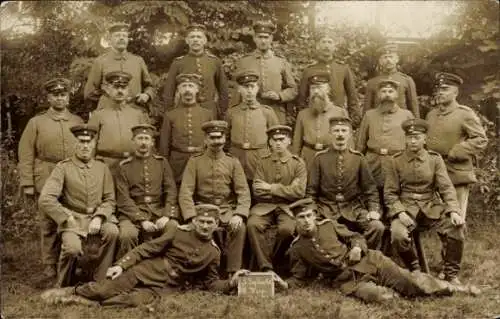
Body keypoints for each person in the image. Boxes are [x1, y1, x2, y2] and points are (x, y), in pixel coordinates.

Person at [41, 205, 251, 307]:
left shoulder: (214, 252)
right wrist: (122, 266)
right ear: (195, 221)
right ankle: (72, 290)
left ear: (216, 225)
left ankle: (81, 301)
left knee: (126, 302)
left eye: (210, 223)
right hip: (145, 271)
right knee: (104, 288)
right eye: (201, 222)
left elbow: (211, 283)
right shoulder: (177, 232)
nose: (205, 226)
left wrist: (231, 283)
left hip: (163, 288)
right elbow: (146, 249)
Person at [284, 198, 480, 303]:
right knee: (383, 297)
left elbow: (356, 237)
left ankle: (456, 289)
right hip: (348, 281)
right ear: (295, 220)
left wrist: (357, 248)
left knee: (410, 283)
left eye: (309, 215)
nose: (307, 220)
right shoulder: (297, 248)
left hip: (371, 260)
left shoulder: (328, 225)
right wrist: (282, 285)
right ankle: (402, 292)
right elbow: (299, 277)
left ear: (315, 215)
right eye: (301, 217)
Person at [18, 77, 84, 281]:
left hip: (71, 174)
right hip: (46, 173)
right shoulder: (36, 122)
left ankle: (72, 263)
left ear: (68, 97)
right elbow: (26, 152)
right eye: (55, 95)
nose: (59, 98)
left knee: (71, 217)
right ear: (48, 97)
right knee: (48, 223)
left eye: (63, 94)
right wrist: (28, 182)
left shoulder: (77, 121)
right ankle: (49, 266)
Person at [385, 118, 466, 283]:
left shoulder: (434, 159)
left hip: (431, 208)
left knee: (456, 226)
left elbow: (446, 188)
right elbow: (390, 193)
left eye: (417, 137)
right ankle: (414, 268)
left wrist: (454, 210)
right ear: (405, 139)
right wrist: (400, 212)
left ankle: (451, 273)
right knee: (398, 235)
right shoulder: (395, 161)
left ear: (424, 139)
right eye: (409, 137)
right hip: (406, 209)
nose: (413, 141)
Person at [38, 124, 118, 288]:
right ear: (74, 144)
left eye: (89, 142)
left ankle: (100, 280)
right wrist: (65, 217)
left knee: (112, 232)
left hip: (96, 218)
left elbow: (110, 199)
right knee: (73, 249)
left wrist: (100, 216)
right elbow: (46, 198)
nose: (85, 146)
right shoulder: (63, 168)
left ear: (94, 144)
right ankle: (64, 285)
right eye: (81, 142)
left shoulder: (102, 168)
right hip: (73, 219)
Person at [179, 120, 250, 276]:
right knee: (200, 228)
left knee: (240, 227)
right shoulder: (195, 161)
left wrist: (239, 214)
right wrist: (191, 216)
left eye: (219, 137)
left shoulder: (233, 162)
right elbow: (186, 191)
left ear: (224, 139)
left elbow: (243, 191)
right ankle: (205, 272)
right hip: (202, 209)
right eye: (212, 138)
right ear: (205, 139)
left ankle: (233, 272)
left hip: (226, 210)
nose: (216, 142)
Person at [307, 116, 384, 250]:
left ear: (350, 134)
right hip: (326, 209)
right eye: (336, 131)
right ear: (330, 134)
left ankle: (363, 257)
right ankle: (338, 260)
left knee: (377, 227)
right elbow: (311, 192)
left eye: (344, 131)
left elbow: (370, 189)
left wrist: (373, 210)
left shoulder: (358, 158)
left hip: (353, 208)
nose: (340, 134)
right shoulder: (320, 159)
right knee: (319, 230)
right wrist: (313, 212)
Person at [426, 72, 488, 218]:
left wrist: (458, 150)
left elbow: (480, 139)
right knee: (438, 218)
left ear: (455, 92)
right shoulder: (431, 115)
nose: (440, 92)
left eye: (445, 89)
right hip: (433, 172)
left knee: (456, 219)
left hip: (455, 171)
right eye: (439, 89)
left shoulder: (464, 113)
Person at [247, 125, 307, 272]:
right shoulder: (263, 162)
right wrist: (286, 190)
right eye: (275, 140)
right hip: (264, 207)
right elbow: (257, 191)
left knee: (287, 229)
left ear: (289, 141)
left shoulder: (297, 163)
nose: (278, 143)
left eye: (282, 139)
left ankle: (276, 261)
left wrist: (270, 188)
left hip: (288, 208)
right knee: (252, 225)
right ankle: (265, 267)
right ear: (270, 142)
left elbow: (299, 192)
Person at [115, 124, 179, 259]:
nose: (143, 142)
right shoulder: (124, 166)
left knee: (173, 228)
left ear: (152, 142)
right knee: (128, 235)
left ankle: (161, 265)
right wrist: (142, 220)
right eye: (140, 138)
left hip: (159, 211)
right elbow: (123, 198)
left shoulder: (162, 163)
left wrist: (166, 215)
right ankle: (127, 269)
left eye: (146, 138)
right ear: (133, 141)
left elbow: (171, 191)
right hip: (132, 213)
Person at [233, 20, 297, 124]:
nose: (263, 41)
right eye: (260, 37)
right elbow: (237, 91)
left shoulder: (281, 62)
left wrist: (279, 95)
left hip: (276, 112)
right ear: (254, 38)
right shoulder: (244, 62)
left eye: (266, 37)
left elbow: (293, 89)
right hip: (251, 112)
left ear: (271, 39)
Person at [356, 79, 414, 192]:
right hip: (373, 163)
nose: (387, 95)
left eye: (390, 91)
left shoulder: (407, 115)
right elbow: (360, 143)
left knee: (394, 194)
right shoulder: (369, 115)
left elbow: (412, 142)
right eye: (383, 91)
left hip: (396, 163)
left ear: (397, 94)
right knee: (372, 194)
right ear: (378, 95)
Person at [88, 71, 150, 173]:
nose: (120, 91)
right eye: (116, 87)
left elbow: (147, 143)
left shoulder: (138, 115)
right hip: (105, 166)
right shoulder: (98, 115)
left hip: (133, 165)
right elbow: (90, 145)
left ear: (128, 90)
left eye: (123, 88)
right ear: (108, 89)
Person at [162, 24, 228, 119]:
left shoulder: (214, 61)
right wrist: (169, 113)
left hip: (210, 112)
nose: (195, 40)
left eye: (199, 37)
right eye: (192, 37)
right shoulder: (178, 63)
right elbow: (169, 92)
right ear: (187, 40)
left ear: (204, 40)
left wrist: (222, 112)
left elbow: (223, 90)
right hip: (185, 113)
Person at [84, 22, 155, 111]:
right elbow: (89, 92)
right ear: (110, 40)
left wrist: (147, 95)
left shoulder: (138, 61)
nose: (121, 38)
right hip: (108, 113)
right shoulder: (100, 61)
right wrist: (108, 100)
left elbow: (150, 86)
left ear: (128, 39)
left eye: (124, 36)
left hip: (135, 111)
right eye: (117, 36)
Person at [159, 73, 215, 184]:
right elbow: (164, 145)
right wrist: (165, 167)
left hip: (201, 161)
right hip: (177, 163)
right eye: (184, 86)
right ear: (179, 90)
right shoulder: (170, 115)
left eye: (191, 86)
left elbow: (212, 141)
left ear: (197, 89)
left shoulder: (207, 114)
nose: (187, 90)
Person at [298, 31, 360, 127]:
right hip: (316, 117)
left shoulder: (343, 68)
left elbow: (352, 97)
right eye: (323, 42)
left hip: (338, 117)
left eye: (330, 42)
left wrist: (354, 118)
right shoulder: (309, 70)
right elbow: (301, 99)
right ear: (318, 46)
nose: (326, 45)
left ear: (334, 46)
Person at [226, 70, 279, 182]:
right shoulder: (231, 112)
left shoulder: (267, 112)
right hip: (237, 157)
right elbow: (225, 138)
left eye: (252, 87)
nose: (249, 91)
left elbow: (276, 139)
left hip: (260, 158)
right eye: (245, 87)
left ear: (257, 88)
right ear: (239, 89)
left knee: (259, 189)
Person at [292, 70, 349, 169]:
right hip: (308, 159)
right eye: (313, 88)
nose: (316, 92)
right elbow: (296, 144)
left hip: (331, 156)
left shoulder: (340, 112)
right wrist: (295, 162)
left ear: (328, 89)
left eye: (319, 87)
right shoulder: (302, 114)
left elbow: (348, 142)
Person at [364, 43, 419, 118]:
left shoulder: (407, 80)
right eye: (385, 57)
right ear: (380, 61)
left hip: (401, 122)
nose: (388, 60)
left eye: (391, 57)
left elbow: (414, 106)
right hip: (378, 120)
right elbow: (367, 109)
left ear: (397, 59)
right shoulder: (372, 82)